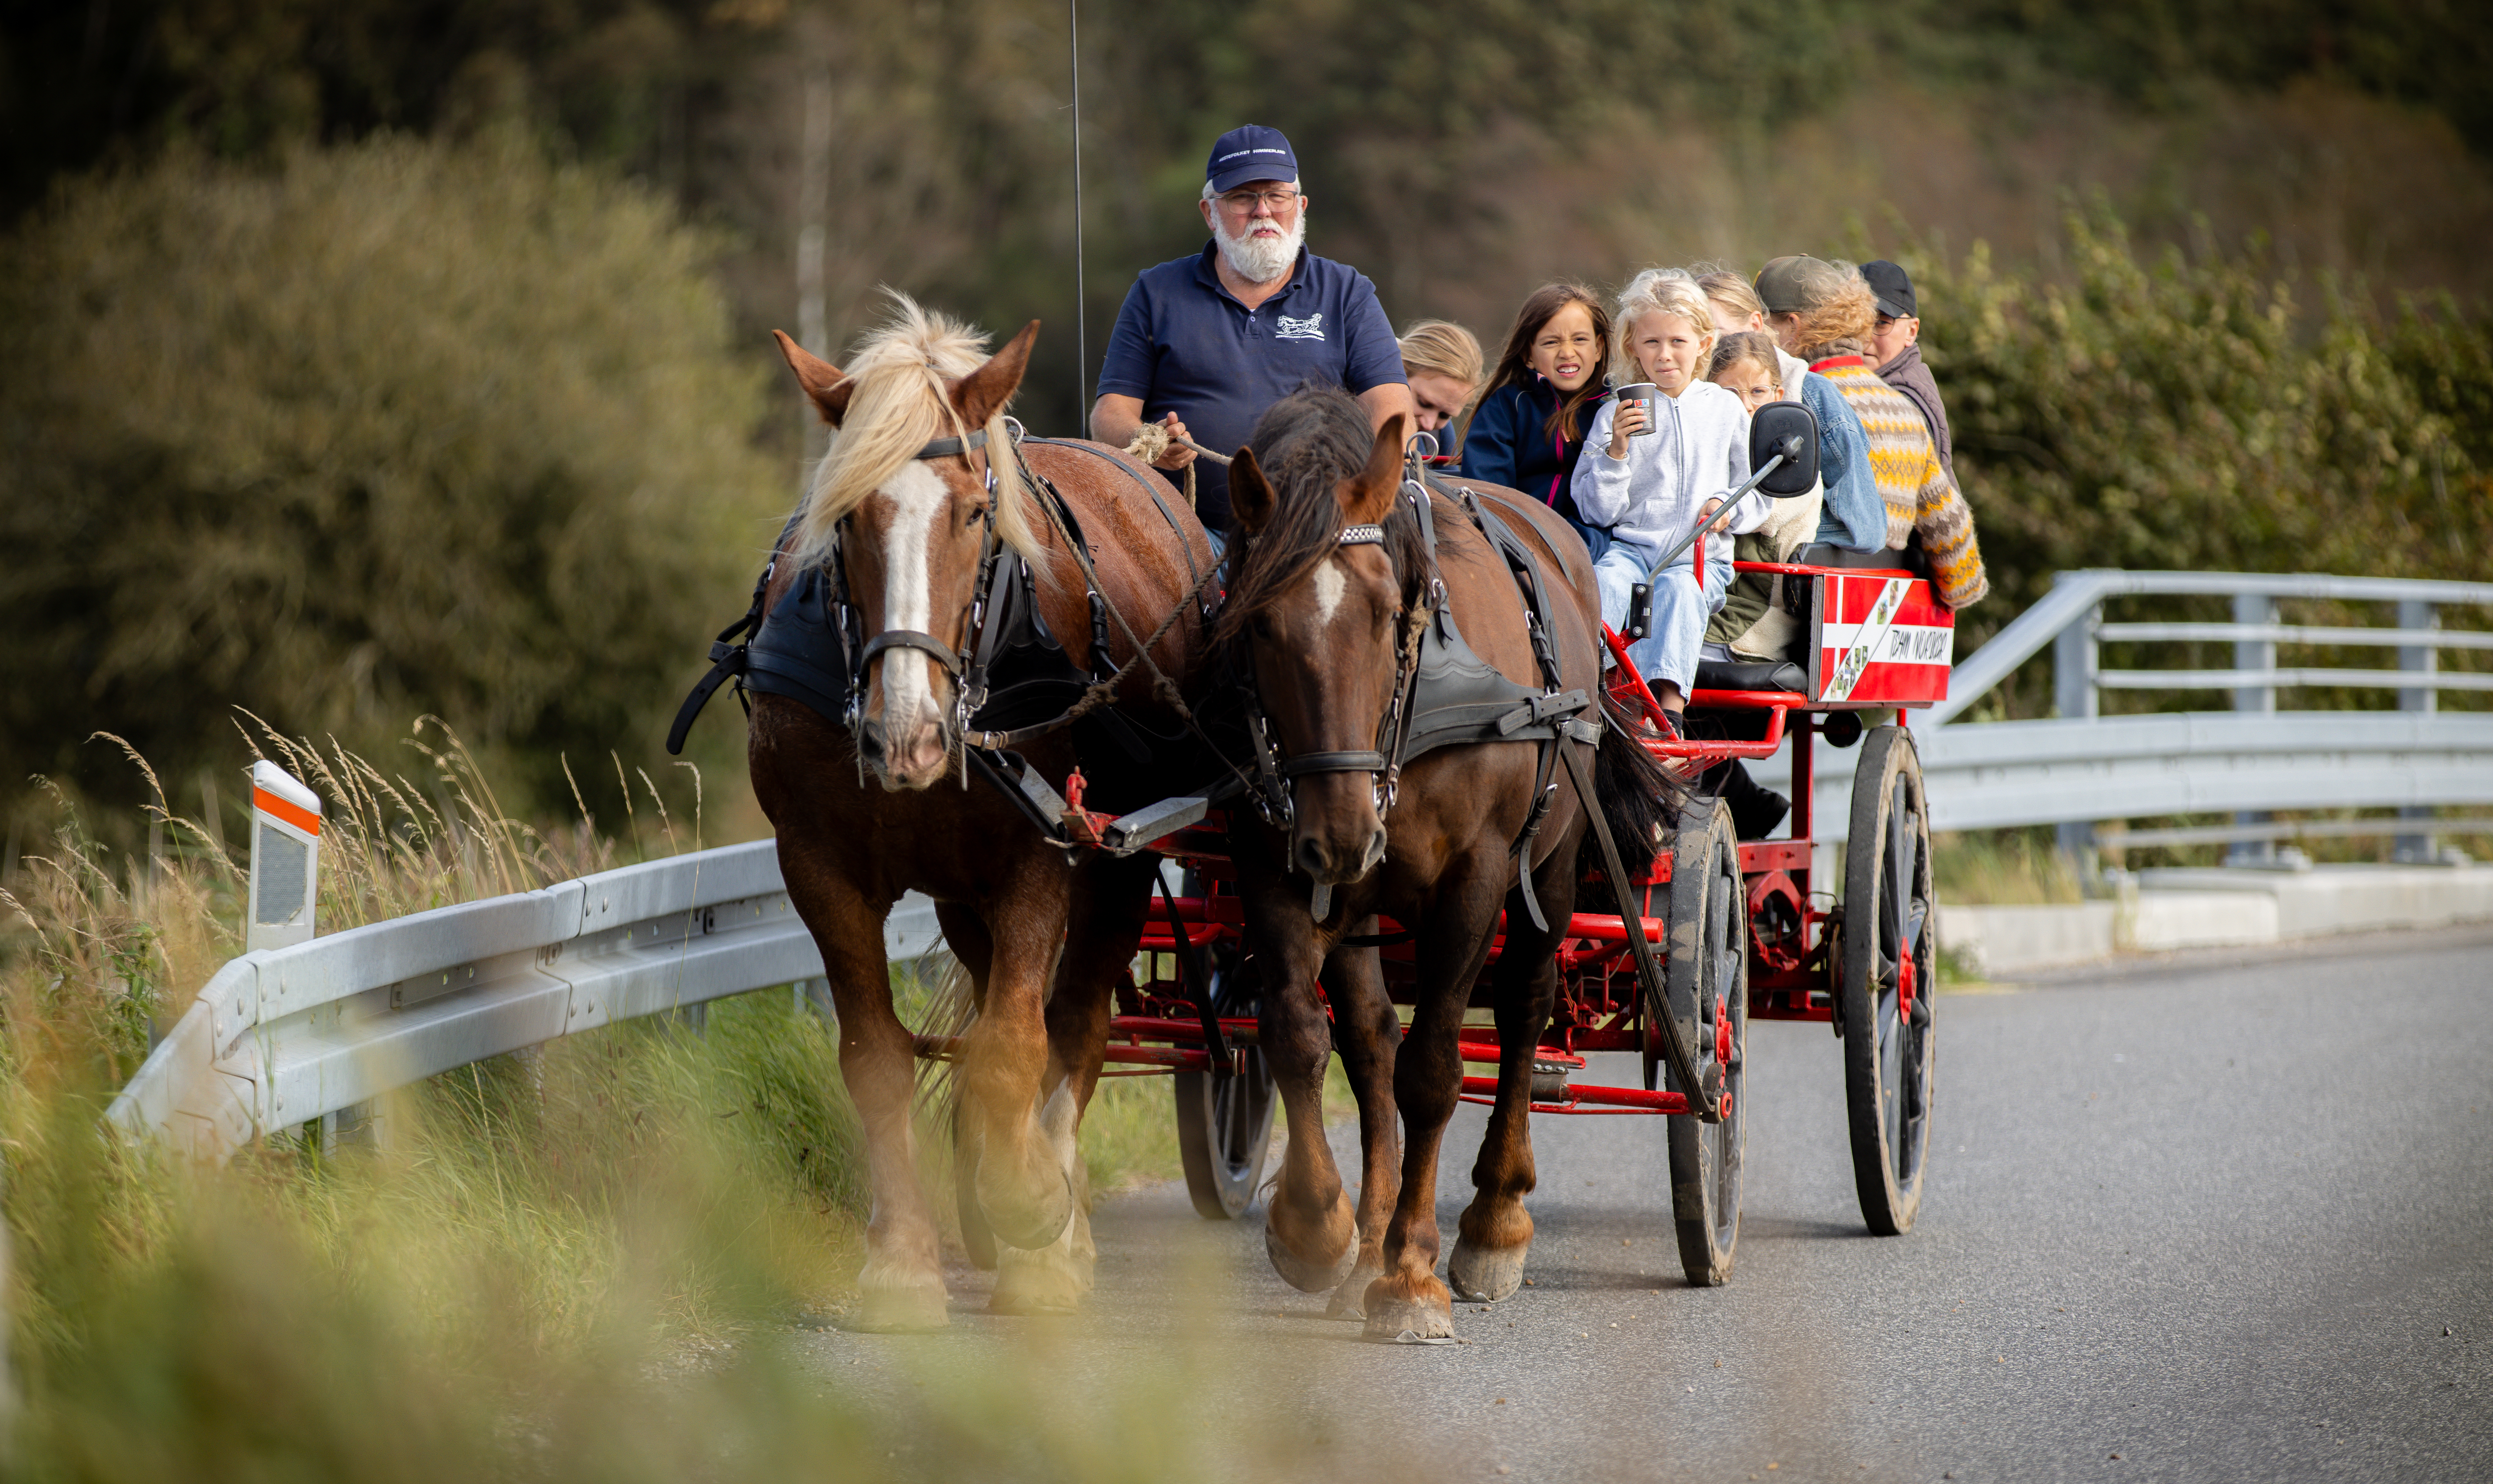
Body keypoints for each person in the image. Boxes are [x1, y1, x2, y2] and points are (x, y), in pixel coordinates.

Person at [1091, 125, 1414, 546]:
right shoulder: (1155, 292)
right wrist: (1146, 441)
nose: (1263, 211)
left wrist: (1362, 500)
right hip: (1182, 536)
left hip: (1317, 535)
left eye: (1276, 196)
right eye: (1243, 197)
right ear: (1209, 213)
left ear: (1300, 206)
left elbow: (1392, 411)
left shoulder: (1348, 292)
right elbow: (1108, 414)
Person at [1569, 269, 1766, 732]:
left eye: (1677, 341)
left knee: (1680, 592)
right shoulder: (1615, 412)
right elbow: (1596, 510)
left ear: (1703, 342)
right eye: (1651, 342)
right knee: (1607, 583)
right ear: (1632, 347)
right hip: (1633, 552)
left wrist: (1725, 507)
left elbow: (1756, 491)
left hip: (1699, 560)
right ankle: (1592, 695)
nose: (1664, 354)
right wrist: (1616, 450)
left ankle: (1669, 712)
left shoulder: (1723, 408)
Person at [1754, 255, 1987, 609]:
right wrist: (1959, 592)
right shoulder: (1903, 410)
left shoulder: (1793, 402)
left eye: (1762, 325)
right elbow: (1954, 541)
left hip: (1798, 618)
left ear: (1792, 326)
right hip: (1875, 622)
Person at [1696, 265, 1885, 553]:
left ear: (1756, 326)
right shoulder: (1683, 401)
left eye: (1716, 333)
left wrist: (1777, 531)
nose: (1705, 348)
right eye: (1691, 337)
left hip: (1771, 584)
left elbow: (1864, 528)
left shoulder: (1811, 395)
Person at [1459, 283, 1612, 550]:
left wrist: (1576, 546)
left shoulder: (1613, 408)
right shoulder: (1507, 407)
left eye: (1580, 340)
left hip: (1591, 548)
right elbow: (1488, 493)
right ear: (1529, 355)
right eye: (1551, 342)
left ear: (1598, 348)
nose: (1567, 352)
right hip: (1516, 544)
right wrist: (1523, 543)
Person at [1702, 332, 1822, 664]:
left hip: (1754, 617)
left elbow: (1763, 515)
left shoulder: (1792, 458)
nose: (1746, 405)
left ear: (1777, 394)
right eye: (1729, 393)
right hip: (1704, 601)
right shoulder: (1710, 450)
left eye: (1757, 392)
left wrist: (1717, 506)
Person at [1860, 259, 1954, 486]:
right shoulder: (1871, 385)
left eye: (1882, 323)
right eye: (1856, 321)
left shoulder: (1902, 402)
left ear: (1912, 331)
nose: (1864, 337)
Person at [1397, 318, 1483, 459]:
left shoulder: (1438, 438)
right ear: (1399, 370)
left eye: (1444, 416)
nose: (1429, 425)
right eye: (1424, 403)